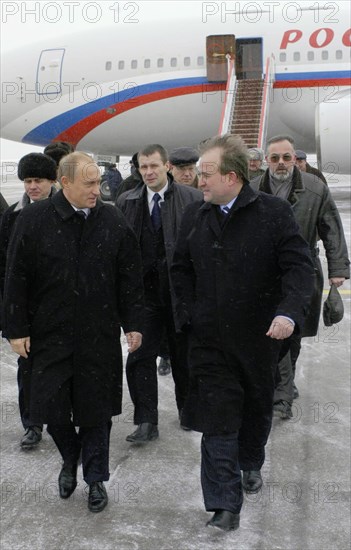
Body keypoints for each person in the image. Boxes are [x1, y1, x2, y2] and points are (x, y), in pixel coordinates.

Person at [170, 133, 315, 531]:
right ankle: (223, 504)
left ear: (232, 177)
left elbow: (299, 268)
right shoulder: (195, 217)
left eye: (207, 173)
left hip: (258, 340)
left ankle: (251, 461)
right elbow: (180, 269)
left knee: (254, 412)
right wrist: (186, 315)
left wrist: (288, 313)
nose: (200, 181)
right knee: (217, 420)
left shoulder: (273, 213)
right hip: (209, 341)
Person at [2, 152, 144, 513]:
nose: (98, 189)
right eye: (90, 183)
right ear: (65, 184)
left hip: (98, 335)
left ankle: (95, 479)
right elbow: (16, 277)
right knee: (50, 408)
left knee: (96, 412)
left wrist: (135, 323)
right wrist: (15, 329)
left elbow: (129, 277)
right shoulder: (33, 220)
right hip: (49, 335)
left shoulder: (111, 219)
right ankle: (71, 458)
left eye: (98, 182)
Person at [251, 136, 349, 418]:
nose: (281, 163)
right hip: (262, 272)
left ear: (295, 158)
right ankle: (280, 390)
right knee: (268, 330)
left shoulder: (315, 189)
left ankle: (282, 390)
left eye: (286, 157)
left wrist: (338, 269)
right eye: (274, 158)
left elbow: (331, 227)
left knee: (292, 332)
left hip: (302, 270)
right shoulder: (253, 189)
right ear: (266, 161)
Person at [117, 144, 202, 442]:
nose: (149, 172)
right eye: (144, 167)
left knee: (184, 356)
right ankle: (146, 421)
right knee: (139, 356)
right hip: (143, 297)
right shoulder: (127, 200)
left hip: (179, 293)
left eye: (154, 166)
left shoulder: (192, 198)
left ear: (167, 166)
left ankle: (189, 410)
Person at [0, 153, 58, 449]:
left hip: (61, 305)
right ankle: (32, 424)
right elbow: (4, 269)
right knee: (28, 368)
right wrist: (9, 316)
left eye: (39, 181)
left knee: (61, 369)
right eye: (28, 181)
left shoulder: (66, 212)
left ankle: (63, 420)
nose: (33, 186)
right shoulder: (12, 216)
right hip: (27, 308)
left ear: (52, 181)